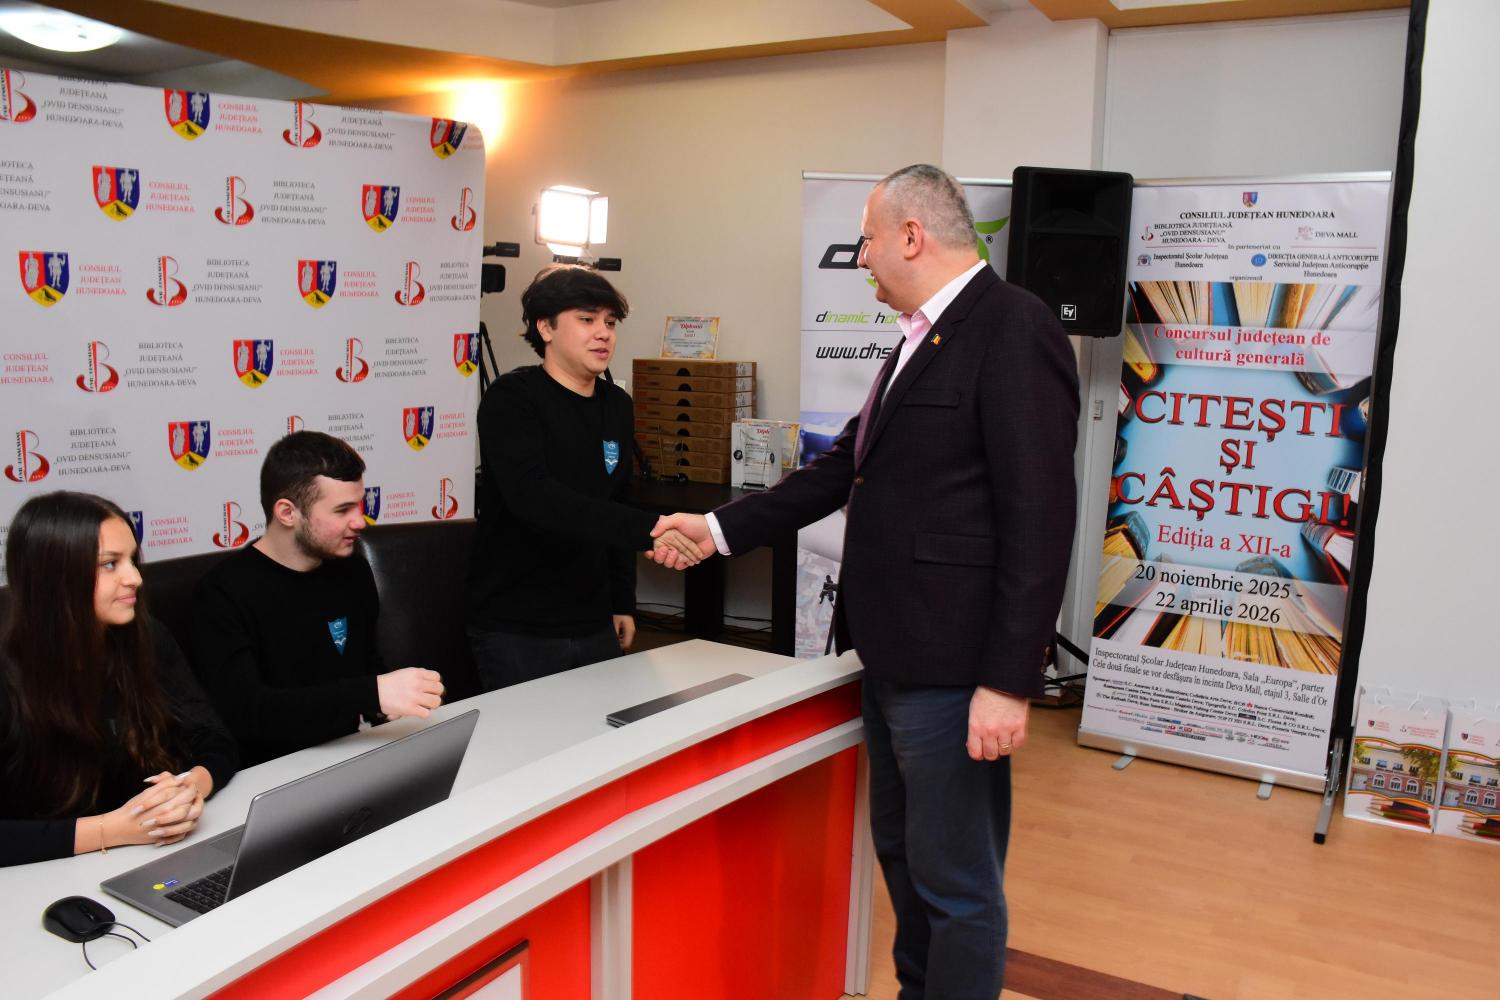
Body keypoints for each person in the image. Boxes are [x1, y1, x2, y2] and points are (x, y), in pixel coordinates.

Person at [651, 164, 1080, 999]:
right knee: (906, 858)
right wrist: (716, 528)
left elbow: (1039, 520)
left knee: (957, 882)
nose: (862, 259)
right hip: (887, 656)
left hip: (955, 669)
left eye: (868, 241)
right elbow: (844, 467)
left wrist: (1007, 681)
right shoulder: (921, 335)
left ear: (912, 237)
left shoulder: (1012, 327)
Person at [468, 265, 703, 691]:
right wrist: (649, 530)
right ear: (545, 327)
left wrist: (622, 602)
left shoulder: (617, 405)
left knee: (604, 731)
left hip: (594, 619)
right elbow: (537, 499)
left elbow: (620, 501)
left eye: (610, 323)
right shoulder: (512, 399)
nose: (603, 334)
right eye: (586, 319)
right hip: (518, 625)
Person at [1, 492, 238, 867]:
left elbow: (215, 738)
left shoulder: (146, 638)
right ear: (54, 577)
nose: (135, 578)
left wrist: (191, 786)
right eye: (110, 564)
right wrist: (114, 830)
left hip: (151, 857)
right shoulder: (9, 676)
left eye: (132, 560)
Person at [189, 431, 445, 766]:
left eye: (359, 504)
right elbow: (247, 713)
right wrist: (373, 694)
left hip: (352, 758)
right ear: (287, 513)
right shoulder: (221, 594)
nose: (360, 520)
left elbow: (365, 666)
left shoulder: (353, 571)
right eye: (343, 510)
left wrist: (391, 709)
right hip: (270, 774)